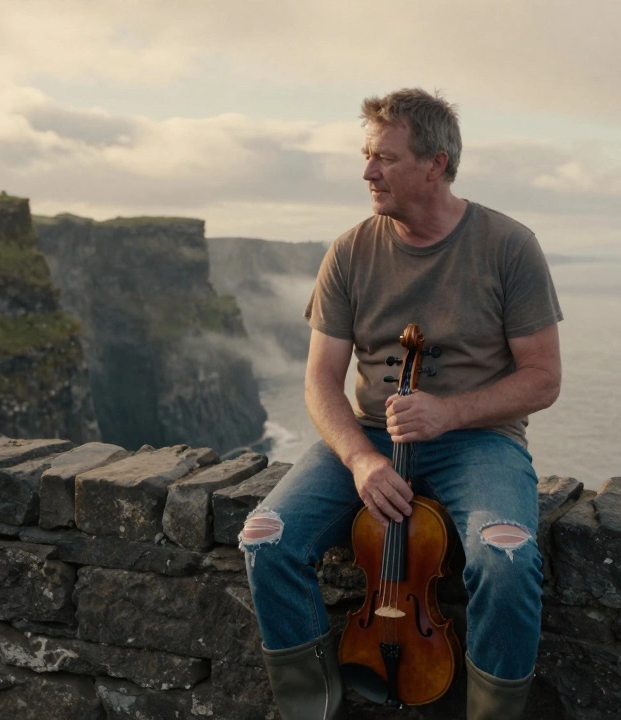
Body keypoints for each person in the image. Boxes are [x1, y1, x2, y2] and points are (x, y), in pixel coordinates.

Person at [239, 88, 563, 720]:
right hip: (369, 436)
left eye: (384, 158)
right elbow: (320, 381)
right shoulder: (351, 250)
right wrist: (361, 460)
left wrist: (449, 412)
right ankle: (314, 708)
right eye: (367, 156)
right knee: (266, 539)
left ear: (436, 164)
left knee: (506, 560)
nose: (367, 172)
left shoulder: (508, 246)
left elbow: (543, 379)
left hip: (479, 442)